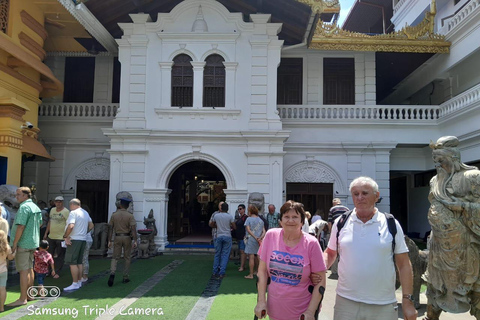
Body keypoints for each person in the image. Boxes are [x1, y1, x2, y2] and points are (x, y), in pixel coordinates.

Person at [323, 176, 417, 320]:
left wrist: (407, 300)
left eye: (365, 193)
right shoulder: (341, 222)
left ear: (376, 196)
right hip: (346, 302)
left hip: (383, 305)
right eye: (355, 194)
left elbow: (404, 264)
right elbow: (330, 253)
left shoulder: (391, 223)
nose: (360, 197)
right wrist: (317, 270)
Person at [424, 136, 480, 319]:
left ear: (454, 158)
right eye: (435, 161)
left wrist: (463, 207)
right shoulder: (435, 180)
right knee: (435, 288)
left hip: (465, 244)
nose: (438, 165)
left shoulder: (472, 177)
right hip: (438, 245)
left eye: (441, 160)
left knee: (474, 285)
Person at [255, 200, 326, 320]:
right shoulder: (270, 236)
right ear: (280, 220)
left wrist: (310, 311)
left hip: (302, 312)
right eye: (286, 216)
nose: (290, 220)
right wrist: (261, 301)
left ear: (302, 221)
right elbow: (262, 272)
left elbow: (321, 281)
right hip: (275, 308)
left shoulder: (311, 243)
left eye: (295, 217)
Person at [8, 186, 42, 307]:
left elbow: (20, 226)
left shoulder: (24, 207)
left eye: (18, 194)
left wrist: (15, 243)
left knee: (23, 271)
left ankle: (23, 298)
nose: (16, 197)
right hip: (33, 242)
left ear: (25, 196)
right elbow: (40, 223)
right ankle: (30, 295)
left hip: (23, 243)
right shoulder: (35, 207)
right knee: (29, 269)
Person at [62, 198, 94, 292]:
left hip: (74, 239)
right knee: (79, 262)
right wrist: (84, 232)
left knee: (72, 262)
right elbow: (91, 225)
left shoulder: (73, 213)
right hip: (82, 239)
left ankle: (75, 283)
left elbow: (71, 226)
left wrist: (65, 236)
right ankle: (79, 281)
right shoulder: (85, 213)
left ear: (72, 205)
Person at [107, 197, 137, 286]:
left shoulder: (114, 215)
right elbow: (133, 229)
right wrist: (135, 240)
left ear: (120, 205)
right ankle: (125, 276)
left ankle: (112, 272)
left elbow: (110, 228)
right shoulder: (130, 215)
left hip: (117, 237)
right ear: (127, 206)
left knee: (115, 257)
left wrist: (109, 240)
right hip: (127, 237)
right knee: (127, 257)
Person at [43, 196, 69, 278]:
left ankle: (56, 272)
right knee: (49, 255)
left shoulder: (66, 212)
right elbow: (49, 222)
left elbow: (69, 224)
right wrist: (46, 233)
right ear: (54, 202)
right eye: (57, 201)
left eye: (60, 201)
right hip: (51, 236)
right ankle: (48, 271)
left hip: (61, 238)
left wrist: (67, 236)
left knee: (60, 256)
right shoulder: (52, 210)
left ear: (63, 202)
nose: (58, 203)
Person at [209, 202, 235, 279]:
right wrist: (229, 227)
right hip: (227, 235)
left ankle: (214, 271)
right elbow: (234, 226)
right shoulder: (229, 216)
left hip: (219, 235)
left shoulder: (216, 216)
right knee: (225, 255)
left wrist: (217, 226)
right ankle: (222, 272)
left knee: (217, 254)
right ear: (227, 209)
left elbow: (211, 224)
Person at [327, 198, 349, 276]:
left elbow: (330, 222)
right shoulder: (347, 209)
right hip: (345, 232)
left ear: (334, 203)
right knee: (345, 251)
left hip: (336, 231)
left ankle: (334, 271)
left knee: (333, 251)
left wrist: (330, 233)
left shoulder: (332, 209)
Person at [244, 205, 265, 279]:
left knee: (251, 257)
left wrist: (255, 237)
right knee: (259, 256)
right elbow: (264, 231)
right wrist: (260, 237)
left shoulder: (248, 219)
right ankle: (259, 272)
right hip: (259, 240)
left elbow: (248, 230)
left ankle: (251, 274)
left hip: (251, 239)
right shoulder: (260, 220)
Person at [0, 230, 14, 312]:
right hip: (3, 270)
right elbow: (10, 258)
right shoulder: (7, 247)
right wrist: (14, 253)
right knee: (2, 289)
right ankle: (1, 307)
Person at [81, 204, 94, 284]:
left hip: (84, 239)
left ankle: (84, 276)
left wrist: (84, 233)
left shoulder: (84, 218)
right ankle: (83, 275)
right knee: (84, 258)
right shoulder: (89, 218)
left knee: (83, 258)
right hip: (88, 239)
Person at [235, 204, 248, 272]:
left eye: (240, 209)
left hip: (243, 237)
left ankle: (242, 266)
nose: (239, 210)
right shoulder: (240, 217)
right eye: (238, 209)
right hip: (239, 237)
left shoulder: (245, 217)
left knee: (243, 251)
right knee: (242, 251)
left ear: (244, 209)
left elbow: (247, 227)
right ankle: (243, 265)